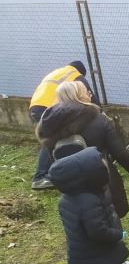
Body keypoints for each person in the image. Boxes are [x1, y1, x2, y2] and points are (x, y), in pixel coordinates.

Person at [36, 81, 129, 217]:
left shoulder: (49, 123)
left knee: (84, 219)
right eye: (86, 91)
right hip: (101, 176)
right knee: (110, 215)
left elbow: (52, 156)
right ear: (78, 95)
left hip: (71, 181)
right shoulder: (98, 118)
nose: (89, 94)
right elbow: (117, 150)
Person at [29, 61, 98, 189]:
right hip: (48, 108)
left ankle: (54, 173)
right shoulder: (76, 75)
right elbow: (91, 97)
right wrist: (99, 113)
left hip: (34, 106)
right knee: (51, 140)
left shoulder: (59, 72)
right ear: (81, 71)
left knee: (51, 140)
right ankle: (41, 177)